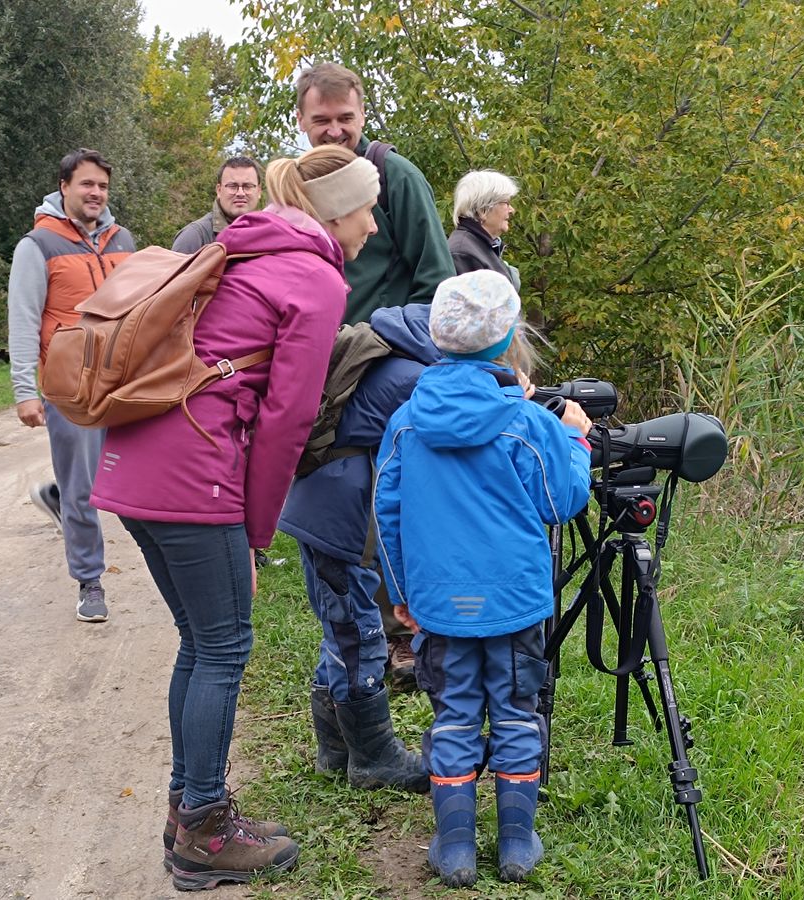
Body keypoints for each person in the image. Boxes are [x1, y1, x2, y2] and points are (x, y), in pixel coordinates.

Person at [90, 145, 381, 891]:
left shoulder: (244, 247)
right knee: (223, 647)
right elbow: (288, 418)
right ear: (336, 211)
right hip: (193, 472)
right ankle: (207, 835)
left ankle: (188, 811)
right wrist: (255, 532)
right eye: (366, 210)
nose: (373, 227)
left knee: (200, 641)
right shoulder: (313, 277)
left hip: (132, 460)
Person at [373, 270, 592, 887]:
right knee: (518, 714)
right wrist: (575, 437)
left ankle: (457, 846)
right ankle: (518, 842)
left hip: (440, 606)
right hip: (516, 604)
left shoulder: (406, 423)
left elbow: (385, 515)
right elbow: (564, 498)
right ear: (505, 343)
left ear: (438, 339)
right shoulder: (526, 423)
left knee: (454, 716)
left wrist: (403, 596)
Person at [296, 61, 456, 689]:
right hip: (329, 373)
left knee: (397, 502)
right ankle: (360, 641)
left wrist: (395, 342)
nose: (334, 131)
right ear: (302, 122)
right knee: (344, 510)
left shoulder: (396, 178)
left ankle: (407, 637)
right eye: (320, 121)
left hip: (387, 368)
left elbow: (438, 283)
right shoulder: (303, 188)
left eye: (345, 118)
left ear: (362, 114)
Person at [278, 303, 441, 794]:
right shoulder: (412, 377)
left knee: (342, 629)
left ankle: (335, 748)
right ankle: (373, 758)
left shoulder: (393, 356)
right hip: (337, 518)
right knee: (357, 635)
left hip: (319, 507)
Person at [8, 148, 135, 623]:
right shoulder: (37, 246)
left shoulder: (125, 241)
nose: (95, 193)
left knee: (126, 475)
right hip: (69, 387)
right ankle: (90, 580)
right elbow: (21, 320)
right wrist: (25, 390)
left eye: (101, 186)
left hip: (121, 383)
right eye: (86, 184)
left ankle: (59, 498)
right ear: (64, 187)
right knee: (83, 488)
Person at [170, 156, 262, 254]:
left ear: (259, 191)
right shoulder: (194, 237)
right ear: (219, 190)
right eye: (232, 186)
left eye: (247, 186)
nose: (240, 193)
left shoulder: (267, 235)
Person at [448, 170, 522, 290]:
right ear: (483, 210)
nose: (512, 210)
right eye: (506, 203)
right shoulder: (463, 254)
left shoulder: (479, 246)